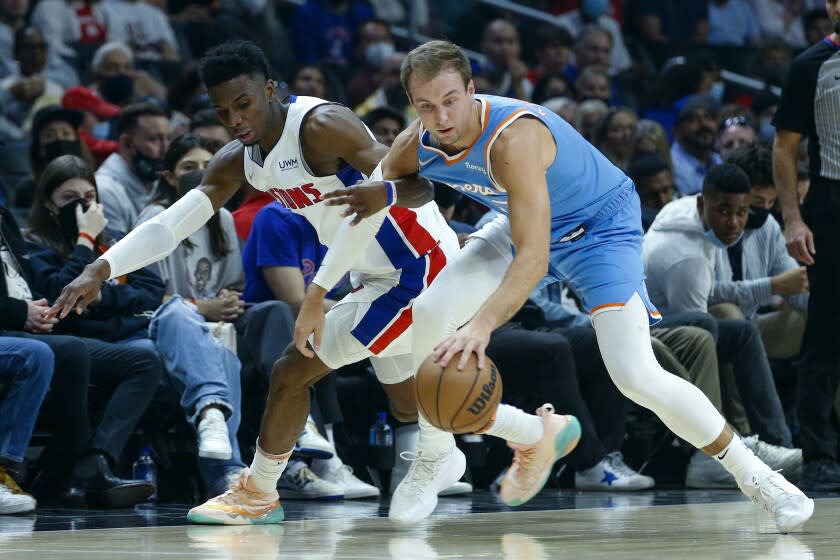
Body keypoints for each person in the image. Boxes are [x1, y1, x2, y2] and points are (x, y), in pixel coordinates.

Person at [47, 40, 564, 526]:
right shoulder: (240, 159)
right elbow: (172, 223)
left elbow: (421, 185)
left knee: (293, 370)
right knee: (418, 401)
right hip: (367, 272)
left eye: (244, 104)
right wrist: (103, 265)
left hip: (417, 267)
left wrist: (378, 196)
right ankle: (534, 433)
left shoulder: (322, 127)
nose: (235, 120)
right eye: (223, 111)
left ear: (270, 90)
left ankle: (259, 491)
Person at [320, 40, 813, 532]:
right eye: (426, 106)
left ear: (472, 90)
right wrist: (319, 294)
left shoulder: (514, 138)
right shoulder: (415, 143)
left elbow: (535, 259)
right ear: (412, 105)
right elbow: (381, 201)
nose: (441, 115)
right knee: (427, 313)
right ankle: (437, 455)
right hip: (520, 224)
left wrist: (481, 325)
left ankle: (761, 481)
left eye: (451, 100)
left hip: (599, 231)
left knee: (635, 374)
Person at [771, 7, 840, 491]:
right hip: (833, 201)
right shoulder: (810, 65)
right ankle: (818, 452)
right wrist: (792, 218)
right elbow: (783, 146)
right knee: (826, 332)